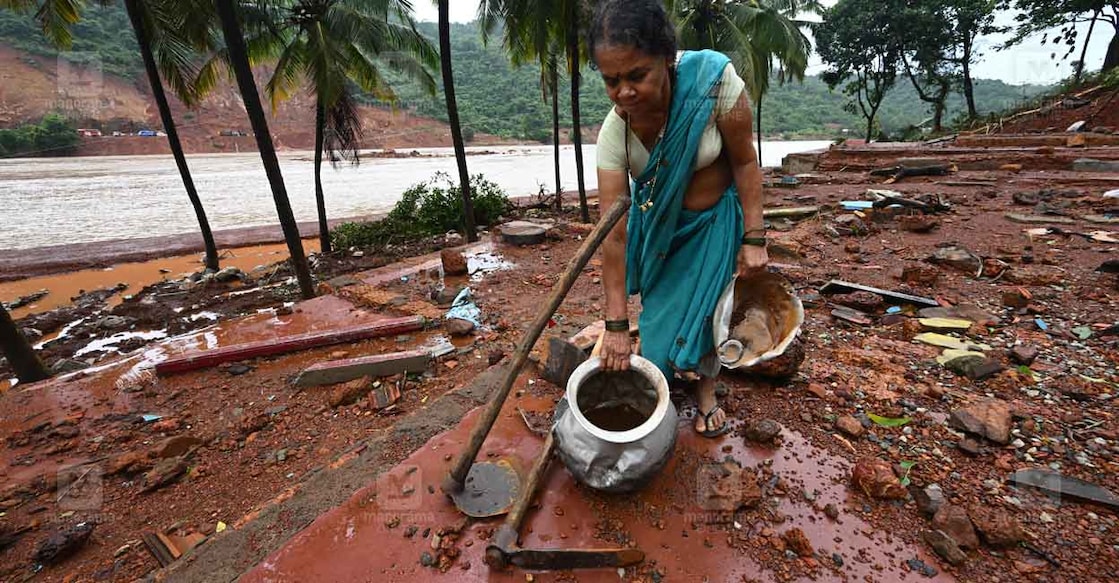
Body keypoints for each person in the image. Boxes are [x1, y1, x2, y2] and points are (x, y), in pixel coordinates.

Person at [589, 0, 768, 437]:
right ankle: (657, 385)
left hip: (714, 226)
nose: (624, 93)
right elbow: (613, 235)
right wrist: (615, 326)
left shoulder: (713, 83)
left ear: (667, 59)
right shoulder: (614, 136)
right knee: (658, 327)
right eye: (611, 81)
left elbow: (745, 162)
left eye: (637, 75)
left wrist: (754, 236)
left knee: (712, 316)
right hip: (661, 236)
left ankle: (706, 393)